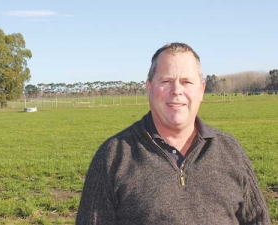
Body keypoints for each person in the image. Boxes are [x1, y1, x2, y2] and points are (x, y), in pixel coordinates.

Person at [75, 42, 271, 224]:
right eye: (166, 81)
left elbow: (258, 220)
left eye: (186, 81)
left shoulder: (230, 150)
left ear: (201, 90)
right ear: (149, 87)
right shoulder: (113, 156)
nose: (177, 90)